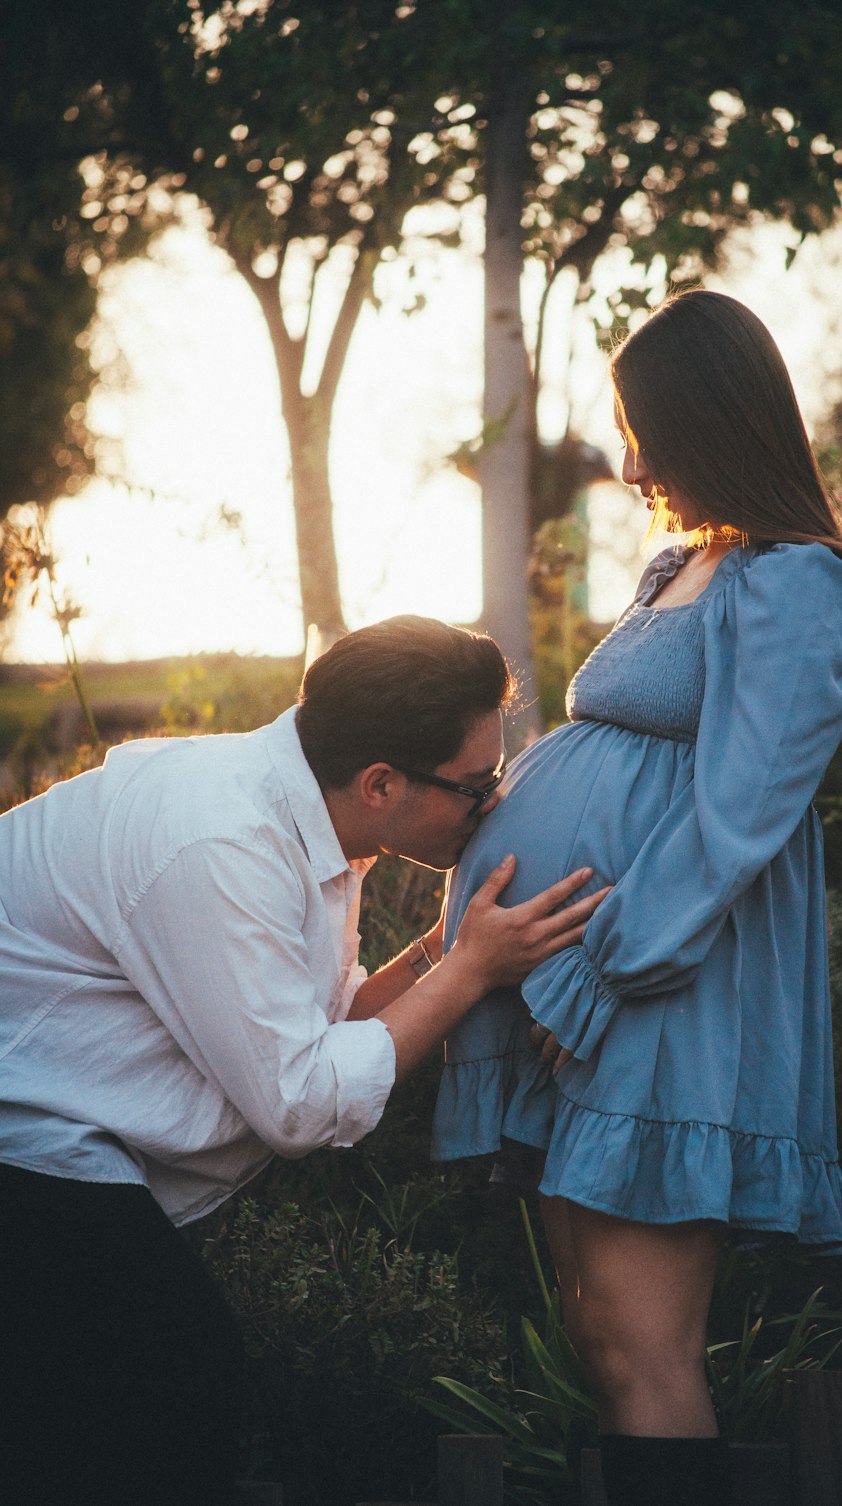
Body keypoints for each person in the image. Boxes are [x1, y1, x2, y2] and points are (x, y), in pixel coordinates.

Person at [431, 290, 842, 1506]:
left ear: (707, 421)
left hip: (665, 984)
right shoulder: (688, 561)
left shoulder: (798, 584)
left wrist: (596, 964)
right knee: (600, 1334)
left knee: (645, 1349)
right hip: (595, 984)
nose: (629, 463)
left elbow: (740, 816)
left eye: (643, 430)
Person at [0, 613, 606, 1506]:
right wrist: (474, 969)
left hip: (62, 1131)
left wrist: (442, 951)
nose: (495, 804)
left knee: (109, 1401)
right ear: (381, 782)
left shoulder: (301, 817)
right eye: (477, 788)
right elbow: (297, 1104)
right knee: (171, 1366)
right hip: (23, 1133)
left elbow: (324, 1028)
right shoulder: (223, 841)